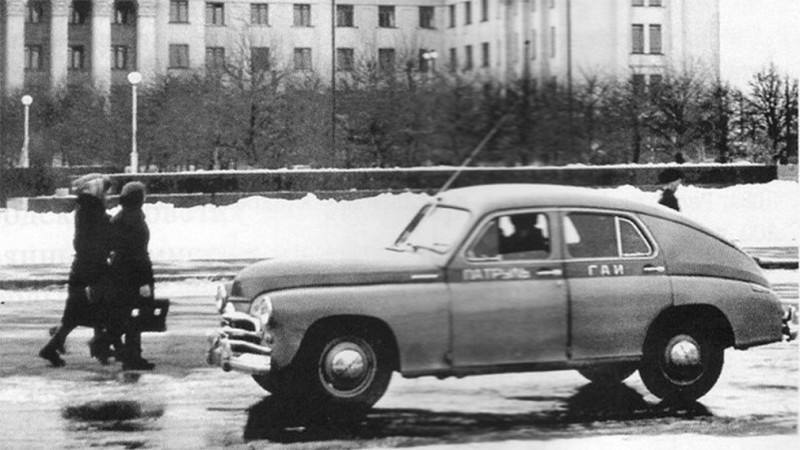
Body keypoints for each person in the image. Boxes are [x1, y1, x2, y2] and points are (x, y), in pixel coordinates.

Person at [39, 174, 113, 367]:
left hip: (83, 267)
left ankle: (96, 347)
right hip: (91, 269)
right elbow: (97, 237)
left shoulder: (86, 208)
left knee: (79, 313)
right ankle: (99, 347)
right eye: (104, 192)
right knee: (99, 307)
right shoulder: (93, 211)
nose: (107, 196)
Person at [107, 181, 156, 371]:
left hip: (121, 273)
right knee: (135, 318)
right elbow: (137, 253)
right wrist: (143, 281)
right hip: (134, 276)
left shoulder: (121, 217)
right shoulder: (134, 220)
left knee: (126, 316)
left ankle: (126, 351)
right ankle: (132, 355)